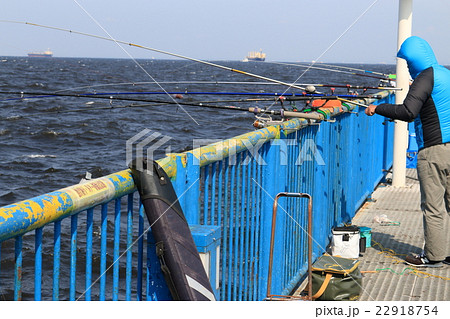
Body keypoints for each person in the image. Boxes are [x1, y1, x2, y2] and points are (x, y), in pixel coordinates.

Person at [365, 36, 450, 268]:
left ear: (413, 60)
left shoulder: (426, 76)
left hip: (434, 150)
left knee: (433, 206)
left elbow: (409, 111)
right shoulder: (445, 74)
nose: (407, 68)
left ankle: (433, 256)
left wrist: (377, 108)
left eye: (407, 62)